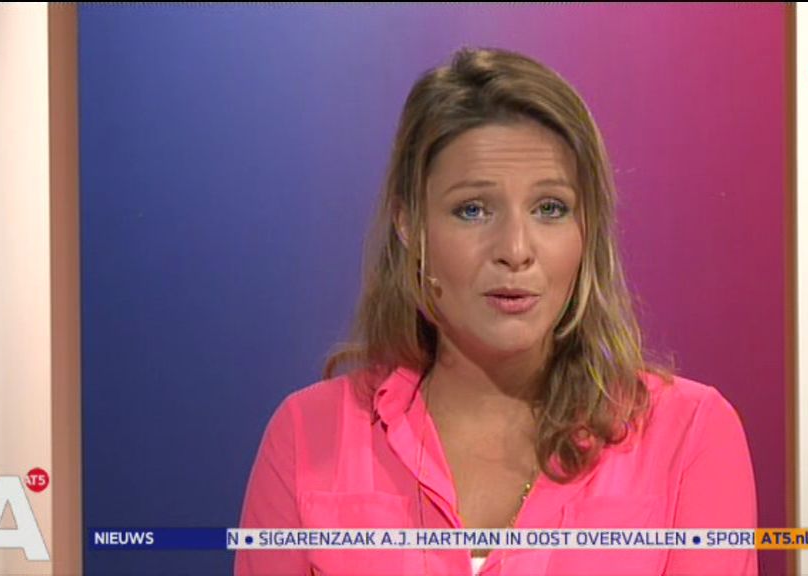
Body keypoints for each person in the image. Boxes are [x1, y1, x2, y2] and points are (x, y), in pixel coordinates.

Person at [235, 46, 758, 576]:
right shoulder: (307, 436)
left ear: (587, 231)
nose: (515, 249)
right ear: (409, 225)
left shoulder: (690, 437)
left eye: (550, 208)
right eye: (473, 210)